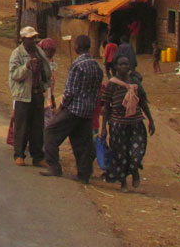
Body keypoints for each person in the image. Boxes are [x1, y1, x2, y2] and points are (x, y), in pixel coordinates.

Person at [40, 34, 103, 183]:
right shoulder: (97, 66)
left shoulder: (77, 65)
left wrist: (61, 107)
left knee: (50, 132)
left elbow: (70, 91)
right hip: (88, 111)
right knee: (81, 142)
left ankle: (54, 166)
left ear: (77, 47)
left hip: (74, 109)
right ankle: (84, 175)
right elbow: (97, 91)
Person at [100, 55, 155, 189]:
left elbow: (142, 102)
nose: (124, 66)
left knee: (136, 152)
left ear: (129, 67)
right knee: (120, 155)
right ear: (116, 67)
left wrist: (151, 120)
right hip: (118, 125)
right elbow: (106, 107)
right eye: (121, 64)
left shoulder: (135, 83)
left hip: (135, 123)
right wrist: (103, 128)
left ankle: (135, 171)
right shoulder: (112, 84)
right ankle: (123, 181)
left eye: (126, 64)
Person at [8, 26, 52, 166]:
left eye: (34, 38)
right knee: (22, 126)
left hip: (37, 93)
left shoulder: (38, 52)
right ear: (23, 39)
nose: (33, 40)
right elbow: (14, 74)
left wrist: (46, 85)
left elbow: (47, 70)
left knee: (37, 127)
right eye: (30, 38)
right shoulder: (17, 54)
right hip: (23, 95)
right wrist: (26, 67)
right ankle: (19, 154)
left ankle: (38, 156)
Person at [39, 37, 58, 127]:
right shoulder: (53, 64)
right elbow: (53, 80)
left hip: (42, 94)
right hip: (48, 95)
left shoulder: (40, 62)